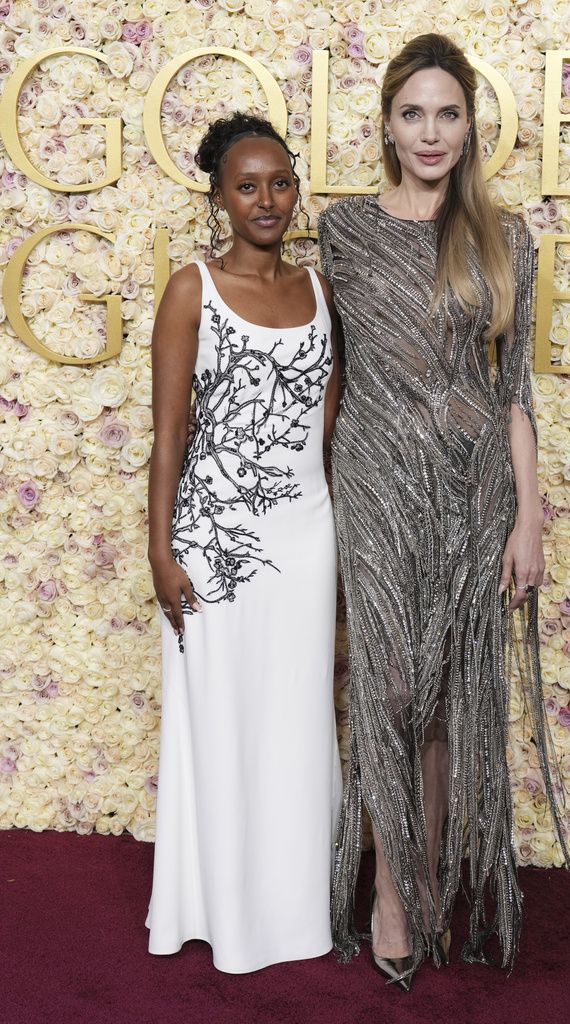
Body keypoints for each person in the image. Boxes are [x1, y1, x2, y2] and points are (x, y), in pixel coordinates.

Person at [317, 33, 570, 988]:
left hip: (475, 487)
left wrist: (529, 519)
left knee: (441, 701)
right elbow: (326, 370)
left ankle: (427, 885)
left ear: (469, 124)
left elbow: (513, 390)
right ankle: (391, 895)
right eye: (412, 114)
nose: (429, 132)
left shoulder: (500, 235)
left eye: (447, 113)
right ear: (386, 125)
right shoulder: (343, 231)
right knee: (390, 689)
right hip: (375, 480)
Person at [146, 113, 342, 973]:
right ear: (218, 197)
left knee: (297, 720)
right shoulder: (192, 289)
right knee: (222, 723)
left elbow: (326, 429)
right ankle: (218, 909)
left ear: (295, 188)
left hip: (305, 539)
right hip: (214, 544)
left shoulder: (323, 290)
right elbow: (170, 434)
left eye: (280, 182)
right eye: (246, 185)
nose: (266, 199)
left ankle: (298, 912)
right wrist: (161, 551)